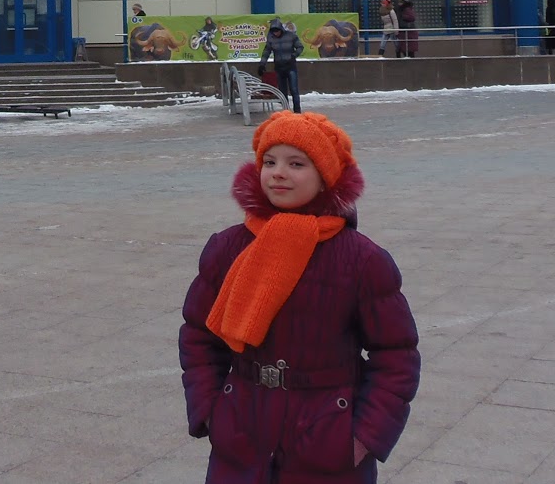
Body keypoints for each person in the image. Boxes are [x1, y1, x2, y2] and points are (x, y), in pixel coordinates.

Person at [179, 111, 420, 483]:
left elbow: (396, 355)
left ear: (325, 177)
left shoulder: (363, 260)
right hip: (241, 436)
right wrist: (211, 409)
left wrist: (362, 437)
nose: (278, 173)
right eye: (270, 162)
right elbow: (199, 335)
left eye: (296, 164)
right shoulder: (228, 247)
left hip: (327, 442)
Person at [258, 19, 304, 113]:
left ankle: (297, 111)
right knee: (282, 92)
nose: (276, 33)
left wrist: (294, 55)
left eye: (277, 31)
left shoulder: (291, 36)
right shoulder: (271, 39)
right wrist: (262, 64)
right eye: (274, 31)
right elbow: (266, 52)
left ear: (281, 29)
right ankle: (285, 111)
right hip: (279, 67)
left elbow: (300, 47)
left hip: (290, 66)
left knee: (294, 90)